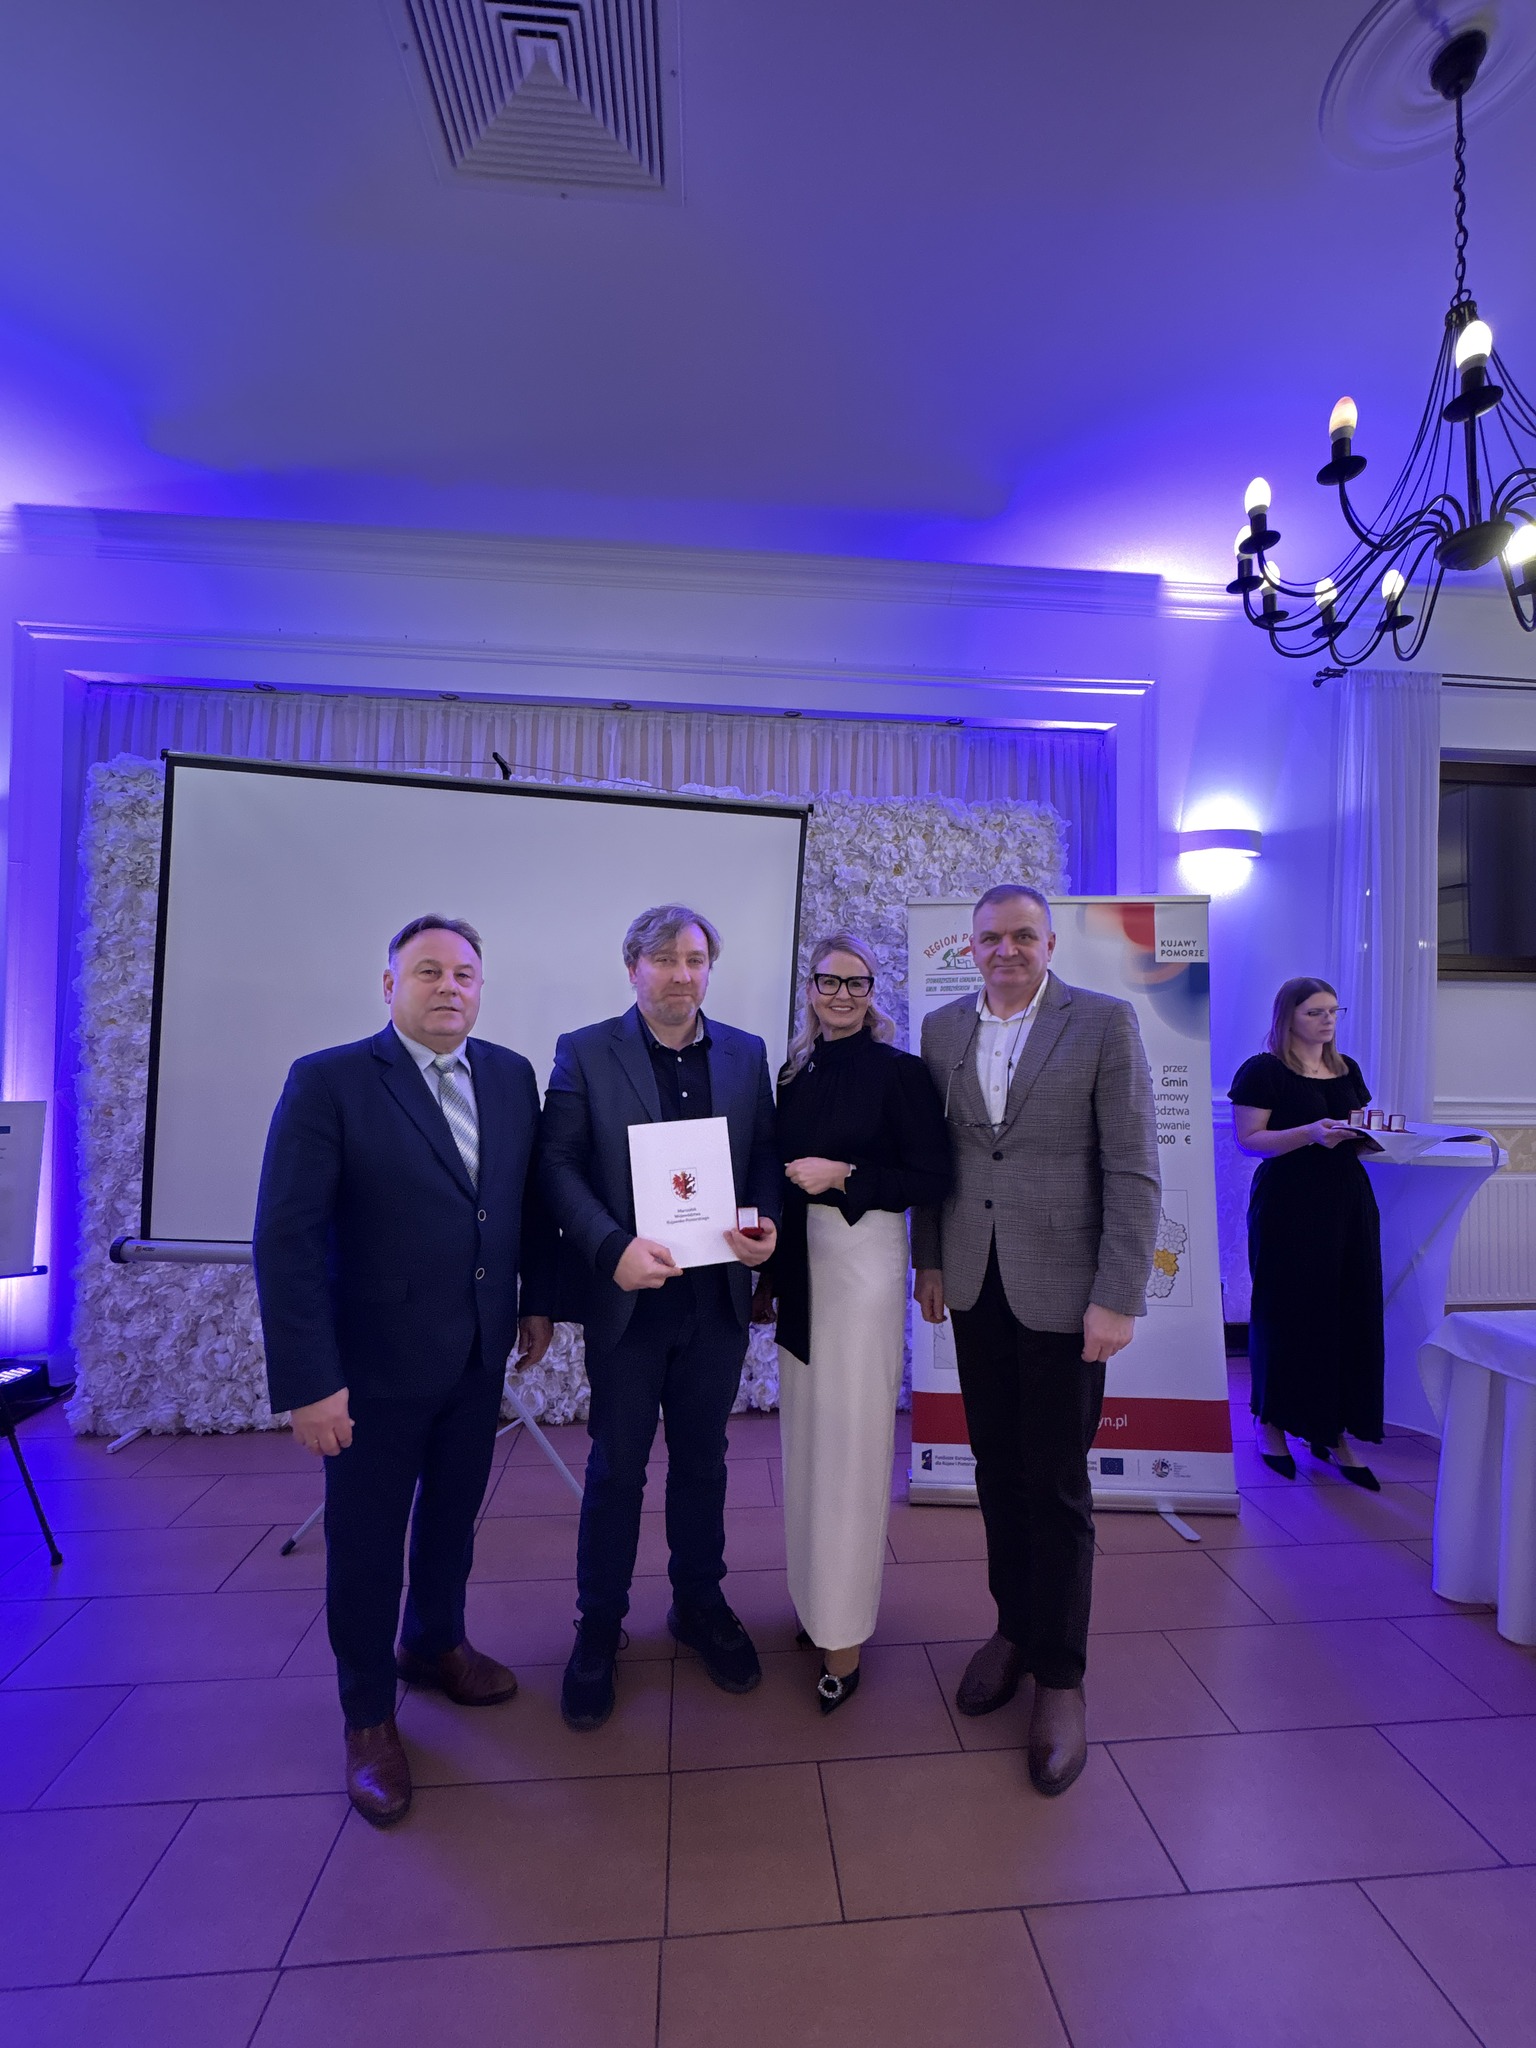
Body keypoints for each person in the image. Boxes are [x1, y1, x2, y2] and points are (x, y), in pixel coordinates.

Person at [253, 915, 556, 1828]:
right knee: (367, 1543)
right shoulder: (330, 1081)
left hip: (476, 1353)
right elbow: (287, 1240)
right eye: (427, 971)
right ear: (389, 986)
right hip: (371, 1369)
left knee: (454, 1519)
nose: (448, 987)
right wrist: (311, 1382)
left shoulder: (509, 1075)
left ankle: (433, 1644)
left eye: (464, 973)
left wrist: (535, 1301)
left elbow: (520, 1206)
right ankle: (367, 1715)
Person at [911, 884, 1159, 1796]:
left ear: (1050, 943)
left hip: (1066, 1294)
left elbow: (1133, 1168)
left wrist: (1116, 1297)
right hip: (975, 1286)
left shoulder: (1102, 1023)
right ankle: (1013, 1628)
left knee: (1054, 1483)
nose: (1007, 950)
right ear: (969, 947)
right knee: (996, 1468)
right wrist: (930, 1260)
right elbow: (938, 1161)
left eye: (1024, 936)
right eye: (991, 938)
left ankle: (1060, 1676)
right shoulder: (941, 1029)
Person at [541, 904, 780, 1731]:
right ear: (632, 967)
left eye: (697, 959)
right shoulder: (584, 1051)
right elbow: (557, 1165)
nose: (684, 974)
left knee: (705, 1462)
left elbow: (762, 1156)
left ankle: (698, 1603)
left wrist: (762, 1223)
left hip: (715, 1301)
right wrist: (610, 1248)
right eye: (666, 959)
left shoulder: (746, 1053)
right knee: (617, 1469)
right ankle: (598, 1626)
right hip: (630, 1302)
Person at [759, 932, 950, 1712]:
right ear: (810, 989)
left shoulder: (899, 1072)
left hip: (861, 1260)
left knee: (851, 1444)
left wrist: (845, 1174)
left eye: (857, 982)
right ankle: (813, 1602)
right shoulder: (793, 1072)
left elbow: (932, 1174)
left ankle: (844, 1631)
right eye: (829, 982)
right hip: (799, 1263)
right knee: (805, 1439)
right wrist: (768, 1276)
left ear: (873, 991)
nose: (842, 995)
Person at [1230, 977, 1384, 1489]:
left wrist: (1370, 1138)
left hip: (1346, 1199)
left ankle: (1331, 1430)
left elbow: (1357, 1130)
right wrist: (1312, 1133)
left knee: (1346, 1309)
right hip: (1289, 1202)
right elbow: (1250, 1140)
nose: (1328, 1020)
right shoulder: (1264, 1070)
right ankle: (1271, 1424)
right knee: (1287, 1311)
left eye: (1334, 1011)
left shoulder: (1347, 1068)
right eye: (1316, 1012)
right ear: (1289, 1016)